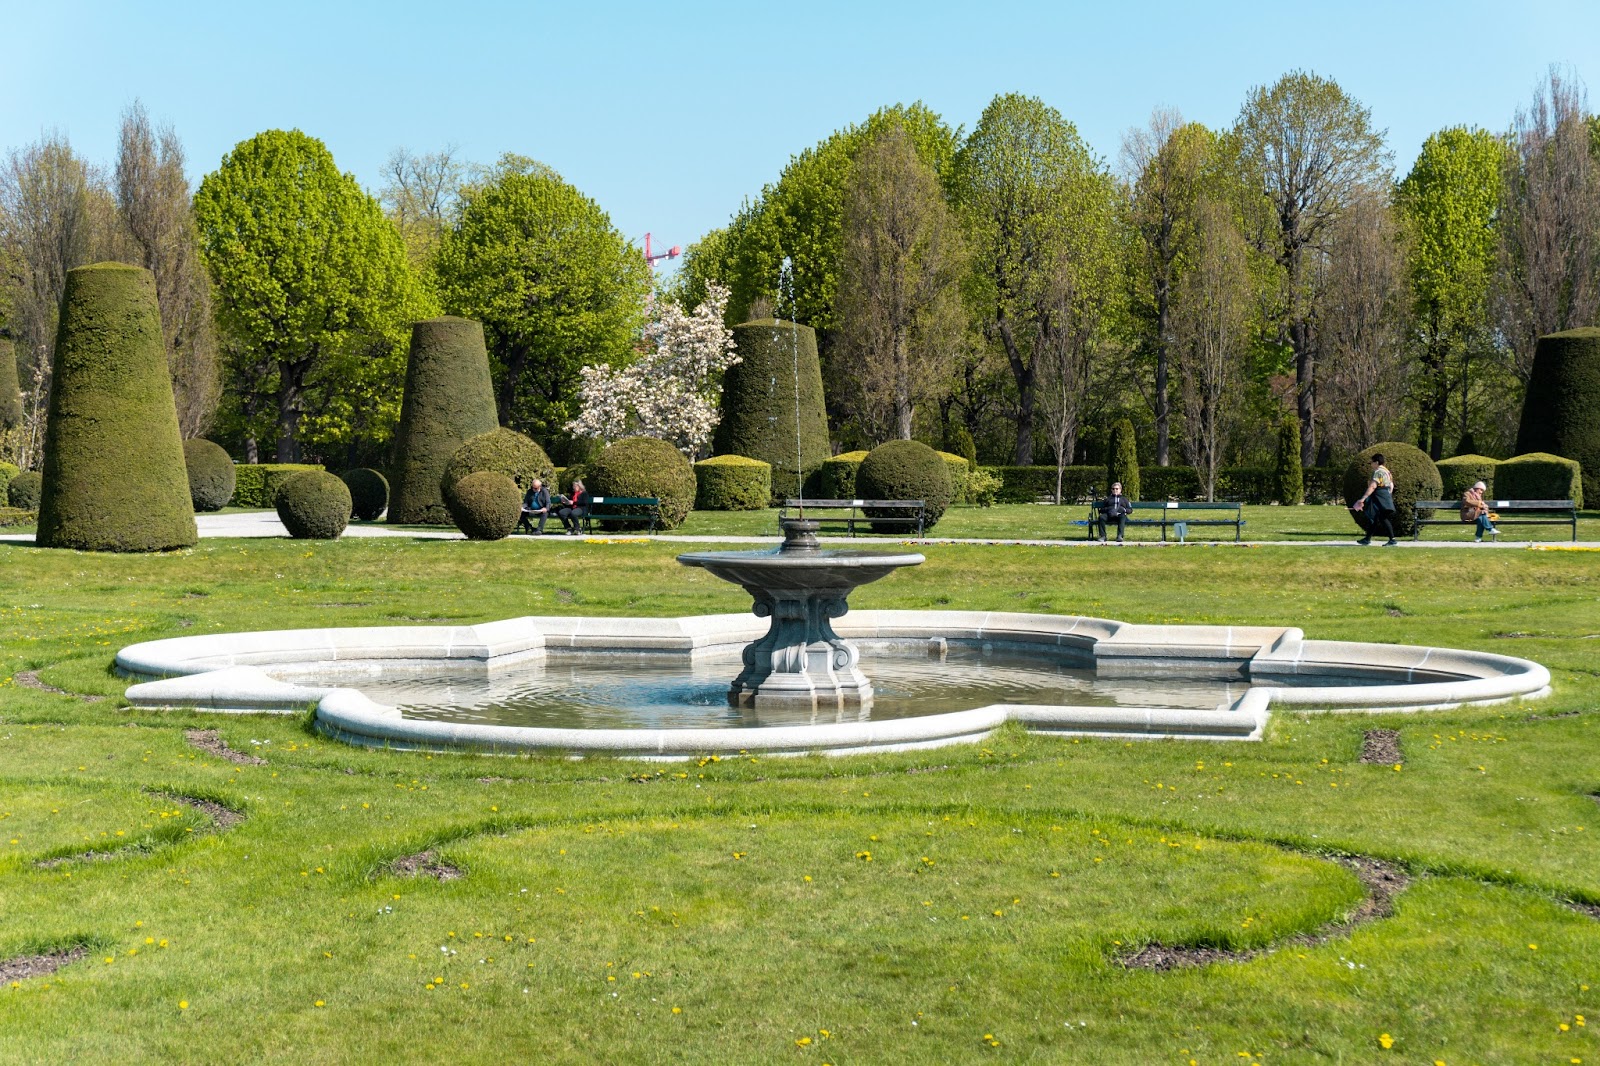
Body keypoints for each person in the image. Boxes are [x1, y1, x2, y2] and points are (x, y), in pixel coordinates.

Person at [1350, 453, 1398, 546]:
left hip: (1379, 497)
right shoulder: (1387, 472)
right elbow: (1391, 486)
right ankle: (1367, 539)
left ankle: (1392, 540)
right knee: (1375, 518)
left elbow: (1372, 486)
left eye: (1371, 462)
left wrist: (1363, 498)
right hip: (1385, 496)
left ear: (1376, 462)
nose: (1371, 464)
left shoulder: (1378, 472)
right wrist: (1388, 496)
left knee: (1382, 518)